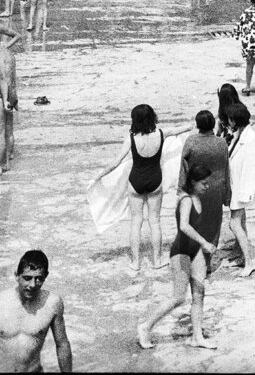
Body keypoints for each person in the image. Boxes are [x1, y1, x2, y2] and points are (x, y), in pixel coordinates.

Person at [137, 164, 219, 351]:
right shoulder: (186, 200)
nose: (207, 187)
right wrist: (205, 242)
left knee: (199, 294)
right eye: (204, 183)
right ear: (193, 182)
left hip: (196, 250)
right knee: (178, 297)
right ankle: (145, 326)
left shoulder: (198, 198)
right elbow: (184, 226)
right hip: (181, 251)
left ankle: (197, 337)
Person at [93, 104, 165, 273]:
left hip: (136, 181)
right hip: (156, 180)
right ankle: (157, 260)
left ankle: (136, 262)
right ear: (152, 117)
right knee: (154, 221)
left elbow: (115, 162)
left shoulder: (131, 139)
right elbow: (180, 129)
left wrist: (98, 176)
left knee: (136, 222)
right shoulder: (161, 134)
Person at [0, 250, 72, 373]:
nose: (33, 284)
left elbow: (62, 344)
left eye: (39, 279)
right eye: (27, 278)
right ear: (16, 275)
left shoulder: (53, 303)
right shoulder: (1, 302)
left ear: (46, 276)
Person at [224, 102, 255, 276]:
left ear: (234, 120)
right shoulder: (240, 134)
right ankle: (241, 256)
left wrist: (245, 193)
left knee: (234, 223)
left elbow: (251, 168)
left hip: (241, 188)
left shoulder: (250, 139)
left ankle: (248, 262)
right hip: (236, 185)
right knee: (240, 222)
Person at [0, 34, 16, 172]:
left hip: (4, 97)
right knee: (7, 128)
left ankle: (3, 162)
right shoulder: (6, 55)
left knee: (3, 131)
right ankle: (6, 158)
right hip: (7, 96)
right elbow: (6, 81)